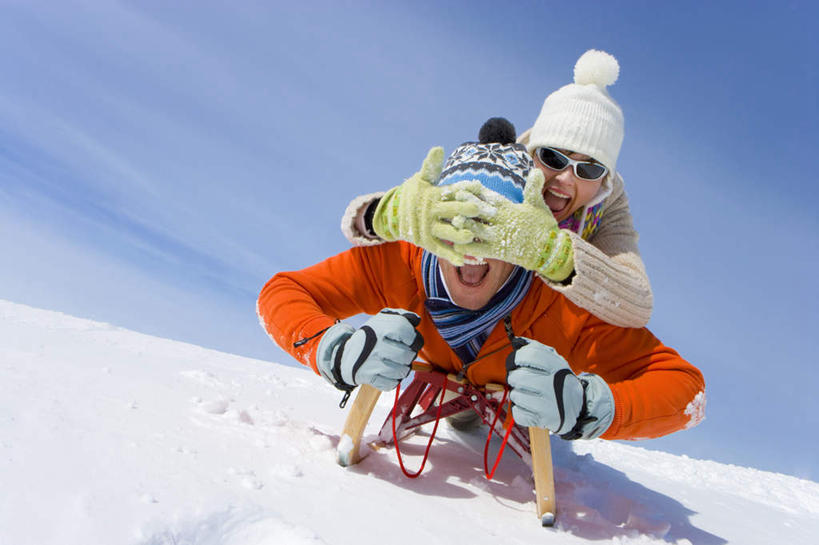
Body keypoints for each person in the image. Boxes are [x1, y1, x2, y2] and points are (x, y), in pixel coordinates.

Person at [257, 128, 705, 442]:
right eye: (456, 224)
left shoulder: (561, 304)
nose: (472, 248)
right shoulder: (401, 260)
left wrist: (588, 406)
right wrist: (332, 348)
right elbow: (283, 292)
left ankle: (494, 406)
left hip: (518, 391)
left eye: (493, 231)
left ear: (523, 236)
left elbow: (686, 389)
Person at [340, 50, 651, 328]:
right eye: (553, 157)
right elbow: (354, 223)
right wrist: (386, 214)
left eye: (590, 169)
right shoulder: (500, 167)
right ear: (533, 152)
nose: (567, 180)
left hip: (536, 333)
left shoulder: (606, 208)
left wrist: (553, 254)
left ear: (603, 180)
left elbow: (638, 304)